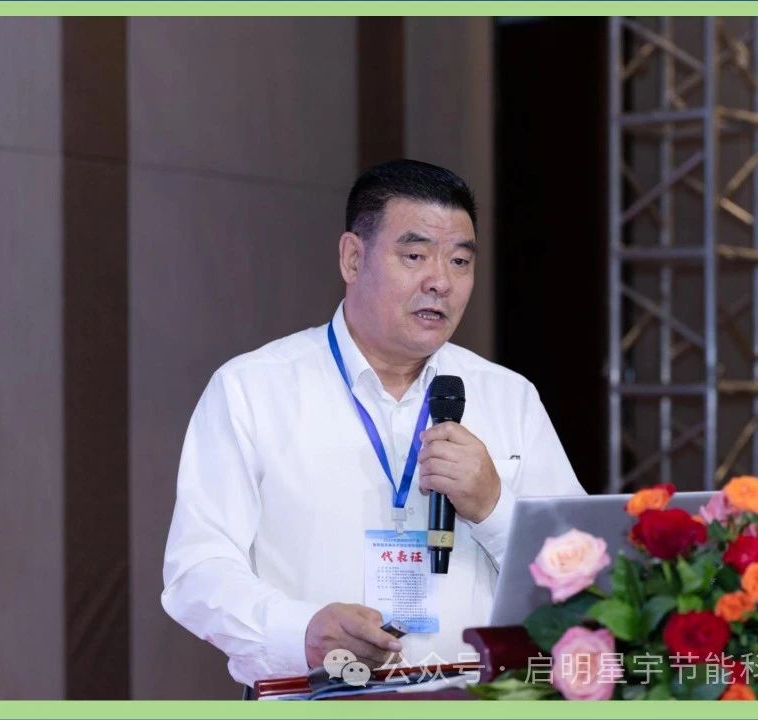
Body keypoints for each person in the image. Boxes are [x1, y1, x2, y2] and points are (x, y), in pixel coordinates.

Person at [160, 159, 585, 688]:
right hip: (314, 699)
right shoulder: (252, 389)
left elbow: (584, 576)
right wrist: (302, 632)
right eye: (415, 256)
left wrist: (494, 508)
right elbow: (197, 571)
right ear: (353, 258)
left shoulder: (509, 397)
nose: (440, 282)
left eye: (459, 261)